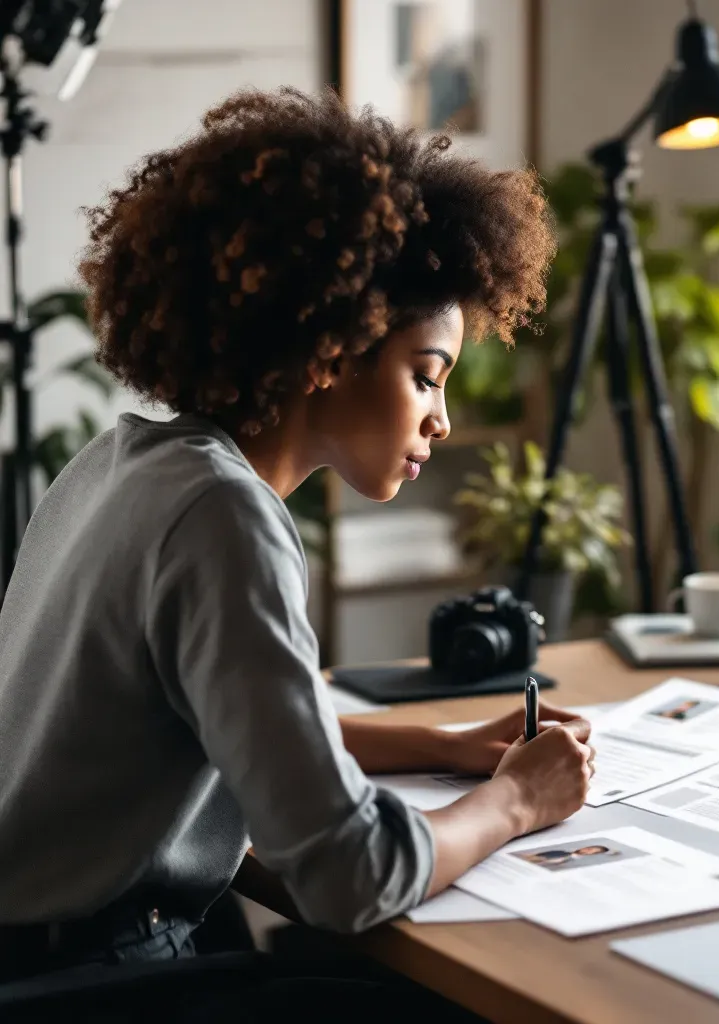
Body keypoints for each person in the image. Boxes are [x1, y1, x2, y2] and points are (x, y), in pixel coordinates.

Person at [0, 86, 589, 1020]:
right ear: (332, 344)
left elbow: (221, 720)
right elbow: (350, 876)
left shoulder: (118, 466)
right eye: (426, 375)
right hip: (94, 985)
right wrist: (517, 803)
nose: (442, 417)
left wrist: (442, 748)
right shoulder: (224, 518)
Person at [521, 845, 614, 868]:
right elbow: (534, 856)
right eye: (589, 848)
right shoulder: (561, 852)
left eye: (591, 851)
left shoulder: (574, 861)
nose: (587, 850)